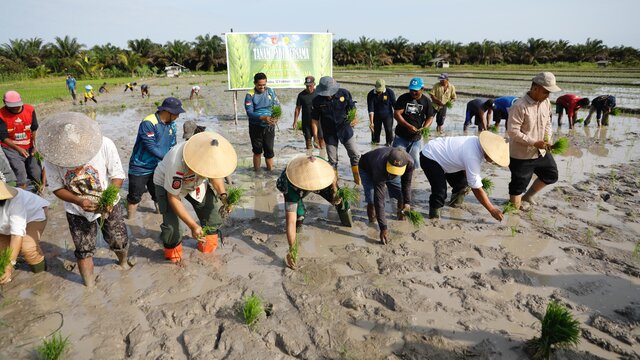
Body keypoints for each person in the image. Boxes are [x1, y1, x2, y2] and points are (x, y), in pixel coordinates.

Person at [39, 112, 130, 287]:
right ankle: (88, 285)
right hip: (76, 210)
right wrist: (79, 201)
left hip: (108, 203)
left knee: (118, 239)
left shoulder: (104, 144)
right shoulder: (53, 156)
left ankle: (123, 263)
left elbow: (117, 175)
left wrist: (108, 198)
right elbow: (57, 188)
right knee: (83, 249)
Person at [153, 131, 236, 262]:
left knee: (213, 216)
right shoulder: (177, 161)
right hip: (167, 184)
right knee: (173, 229)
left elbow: (215, 176)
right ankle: (173, 257)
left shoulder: (211, 155)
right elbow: (173, 198)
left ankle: (207, 250)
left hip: (195, 182)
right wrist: (193, 226)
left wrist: (223, 196)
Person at [420, 131, 509, 220]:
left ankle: (455, 205)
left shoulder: (476, 143)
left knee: (462, 185)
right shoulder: (473, 155)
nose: (493, 161)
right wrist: (492, 209)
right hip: (430, 156)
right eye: (493, 158)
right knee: (440, 192)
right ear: (488, 152)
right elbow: (476, 187)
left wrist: (471, 180)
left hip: (446, 157)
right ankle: (434, 217)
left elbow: (466, 168)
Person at [277, 156, 346, 268]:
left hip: (319, 180)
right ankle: (297, 231)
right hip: (295, 188)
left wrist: (334, 190)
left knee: (341, 200)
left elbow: (332, 172)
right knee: (299, 216)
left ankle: (346, 221)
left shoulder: (317, 164)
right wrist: (292, 250)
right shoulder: (289, 185)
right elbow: (290, 222)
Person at [507, 72, 561, 210]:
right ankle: (514, 208)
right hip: (522, 154)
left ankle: (528, 196)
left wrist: (547, 138)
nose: (548, 95)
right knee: (519, 184)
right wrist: (533, 142)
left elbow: (548, 122)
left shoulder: (546, 102)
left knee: (551, 174)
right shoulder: (519, 106)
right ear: (535, 88)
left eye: (549, 92)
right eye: (546, 92)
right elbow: (513, 132)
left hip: (541, 150)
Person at [127, 97, 183, 219]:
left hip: (159, 166)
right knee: (134, 197)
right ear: (168, 112)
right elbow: (151, 147)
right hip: (140, 166)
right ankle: (130, 220)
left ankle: (158, 218)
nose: (178, 116)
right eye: (177, 113)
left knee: (159, 196)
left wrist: (175, 159)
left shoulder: (172, 125)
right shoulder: (148, 123)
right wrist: (169, 159)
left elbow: (173, 145)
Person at [311, 76, 361, 184]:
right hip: (329, 133)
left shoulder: (344, 94)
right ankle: (334, 186)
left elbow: (353, 109)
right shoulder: (317, 100)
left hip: (345, 129)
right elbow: (315, 120)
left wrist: (355, 118)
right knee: (332, 161)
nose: (328, 95)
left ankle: (358, 182)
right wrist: (315, 137)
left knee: (355, 155)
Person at [359, 147, 413, 244]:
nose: (393, 174)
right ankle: (371, 222)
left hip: (387, 168)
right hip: (367, 169)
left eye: (396, 172)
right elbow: (379, 200)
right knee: (372, 199)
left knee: (400, 195)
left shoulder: (409, 162)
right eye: (392, 171)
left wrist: (407, 203)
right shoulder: (379, 165)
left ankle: (401, 218)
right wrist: (383, 227)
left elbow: (407, 183)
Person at [0, 181, 49, 284]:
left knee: (27, 248)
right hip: (5, 224)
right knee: (3, 252)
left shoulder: (15, 201)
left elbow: (16, 236)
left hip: (33, 215)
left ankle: (41, 275)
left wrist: (9, 264)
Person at [0, 91, 43, 190]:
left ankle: (40, 196)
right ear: (4, 102)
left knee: (36, 172)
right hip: (11, 148)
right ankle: (22, 197)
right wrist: (18, 148)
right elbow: (3, 137)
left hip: (29, 145)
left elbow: (34, 129)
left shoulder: (30, 110)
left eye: (17, 105)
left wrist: (35, 146)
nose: (16, 108)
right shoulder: (1, 115)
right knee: (21, 174)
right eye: (12, 106)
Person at [392, 77, 435, 166]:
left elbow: (430, 116)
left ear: (422, 89)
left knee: (414, 161)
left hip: (416, 138)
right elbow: (396, 114)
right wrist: (408, 126)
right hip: (401, 136)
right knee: (397, 160)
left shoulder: (426, 101)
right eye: (411, 90)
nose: (413, 92)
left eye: (416, 90)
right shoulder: (403, 98)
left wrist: (425, 127)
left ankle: (412, 179)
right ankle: (397, 179)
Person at [244, 72, 279, 171]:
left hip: (269, 126)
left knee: (269, 151)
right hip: (255, 126)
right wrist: (263, 117)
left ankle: (270, 173)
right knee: (257, 151)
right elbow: (250, 113)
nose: (262, 87)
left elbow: (276, 105)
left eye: (264, 85)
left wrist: (275, 117)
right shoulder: (250, 95)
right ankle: (257, 173)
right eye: (260, 85)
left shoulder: (271, 92)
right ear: (255, 83)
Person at [293, 76, 323, 151]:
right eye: (307, 86)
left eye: (310, 85)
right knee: (308, 142)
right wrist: (295, 121)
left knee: (321, 140)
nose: (309, 87)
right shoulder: (301, 95)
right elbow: (298, 108)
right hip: (306, 122)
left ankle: (322, 157)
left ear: (314, 84)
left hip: (318, 122)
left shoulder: (319, 94)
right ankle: (310, 158)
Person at [367, 79, 396, 146]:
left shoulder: (390, 92)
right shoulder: (371, 94)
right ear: (375, 86)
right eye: (378, 90)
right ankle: (375, 144)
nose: (379, 92)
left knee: (389, 130)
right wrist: (371, 123)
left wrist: (398, 118)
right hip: (376, 116)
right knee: (375, 132)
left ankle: (389, 143)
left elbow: (395, 105)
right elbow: (371, 109)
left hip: (388, 115)